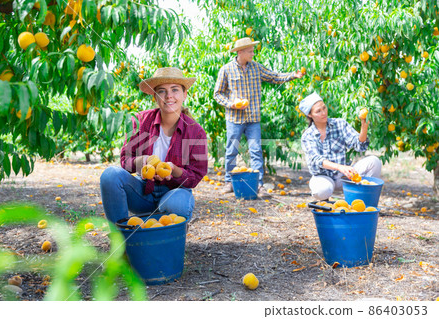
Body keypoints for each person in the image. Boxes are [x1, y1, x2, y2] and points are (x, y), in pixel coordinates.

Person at [100, 67, 208, 226]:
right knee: (110, 175)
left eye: (175, 90)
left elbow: (195, 176)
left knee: (178, 203)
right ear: (155, 97)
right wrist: (141, 161)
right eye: (162, 91)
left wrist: (174, 170)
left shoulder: (195, 131)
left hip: (172, 193)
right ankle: (121, 238)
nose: (169, 96)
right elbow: (125, 160)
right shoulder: (140, 120)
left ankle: (169, 232)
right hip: (142, 192)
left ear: (184, 95)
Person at [214, 37, 304, 195]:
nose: (253, 53)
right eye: (250, 51)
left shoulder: (256, 68)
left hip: (253, 118)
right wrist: (231, 104)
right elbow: (218, 94)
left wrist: (292, 76)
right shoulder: (226, 70)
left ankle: (259, 185)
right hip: (235, 119)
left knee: (255, 151)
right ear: (240, 52)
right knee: (231, 151)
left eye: (253, 50)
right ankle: (229, 182)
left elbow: (274, 76)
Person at [300, 92, 382, 201]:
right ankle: (324, 202)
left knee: (374, 162)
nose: (324, 112)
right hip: (323, 177)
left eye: (324, 108)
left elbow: (358, 144)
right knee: (321, 191)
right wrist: (340, 167)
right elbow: (316, 160)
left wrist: (364, 125)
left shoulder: (339, 124)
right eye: (318, 111)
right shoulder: (308, 136)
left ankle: (364, 201)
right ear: (310, 115)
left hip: (345, 176)